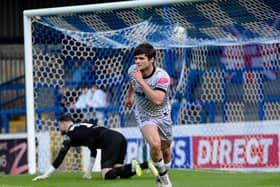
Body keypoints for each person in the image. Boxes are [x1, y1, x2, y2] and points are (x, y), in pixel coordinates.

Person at [32, 115, 158, 181]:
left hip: (108, 141)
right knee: (118, 172)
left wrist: (46, 174)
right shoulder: (83, 127)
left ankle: (132, 165)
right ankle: (145, 165)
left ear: (64, 123)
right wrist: (88, 172)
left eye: (59, 125)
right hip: (119, 137)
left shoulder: (70, 134)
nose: (59, 128)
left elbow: (60, 156)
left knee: (106, 175)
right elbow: (93, 150)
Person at [124, 43, 173, 187]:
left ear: (151, 60)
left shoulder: (162, 77)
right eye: (136, 58)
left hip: (162, 115)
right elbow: (132, 82)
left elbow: (157, 100)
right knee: (155, 144)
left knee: (166, 150)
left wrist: (140, 80)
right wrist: (129, 96)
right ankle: (165, 181)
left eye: (141, 58)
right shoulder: (133, 70)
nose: (137, 61)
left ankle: (162, 175)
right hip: (144, 114)